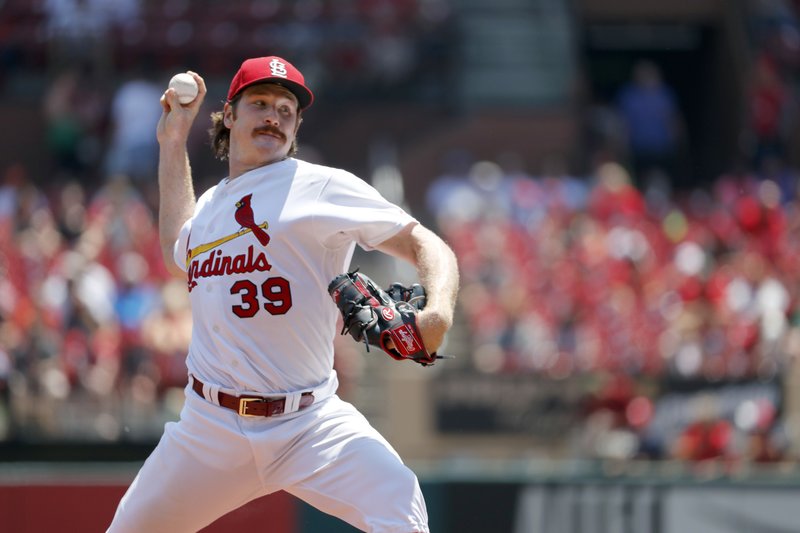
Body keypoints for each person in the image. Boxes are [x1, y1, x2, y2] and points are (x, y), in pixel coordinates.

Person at [107, 56, 459, 532]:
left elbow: (425, 242)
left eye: (286, 109)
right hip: (208, 427)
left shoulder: (320, 187)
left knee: (399, 500)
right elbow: (178, 247)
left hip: (307, 422)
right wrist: (172, 143)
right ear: (229, 115)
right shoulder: (211, 207)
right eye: (260, 103)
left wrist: (437, 313)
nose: (274, 116)